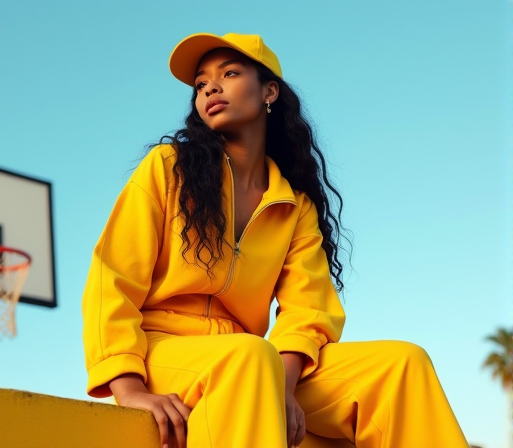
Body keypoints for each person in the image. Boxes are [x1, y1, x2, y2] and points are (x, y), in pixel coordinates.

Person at [82, 32, 469, 448]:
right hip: (163, 351)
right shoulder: (167, 168)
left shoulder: (294, 204)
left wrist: (284, 389)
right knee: (249, 356)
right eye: (200, 83)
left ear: (269, 91)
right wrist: (128, 388)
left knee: (401, 364)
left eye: (229, 73)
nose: (210, 87)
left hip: (254, 362)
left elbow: (308, 309)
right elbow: (112, 280)